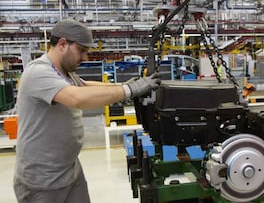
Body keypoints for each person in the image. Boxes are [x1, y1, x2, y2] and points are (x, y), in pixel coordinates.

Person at [13, 19, 160, 203]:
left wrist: (123, 86)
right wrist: (129, 90)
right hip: (42, 181)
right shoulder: (38, 72)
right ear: (63, 44)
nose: (85, 58)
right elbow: (78, 97)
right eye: (81, 50)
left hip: (70, 170)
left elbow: (86, 86)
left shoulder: (65, 73)